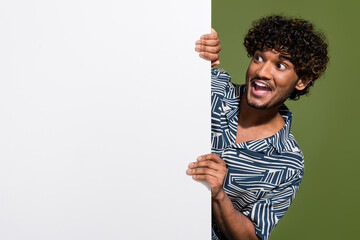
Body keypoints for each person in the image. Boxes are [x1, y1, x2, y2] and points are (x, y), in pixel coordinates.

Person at [187, 15, 329, 240]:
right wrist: (197, 39)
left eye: (281, 65)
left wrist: (218, 195)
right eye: (258, 58)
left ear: (302, 80)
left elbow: (252, 237)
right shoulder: (214, 90)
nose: (262, 72)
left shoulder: (288, 162)